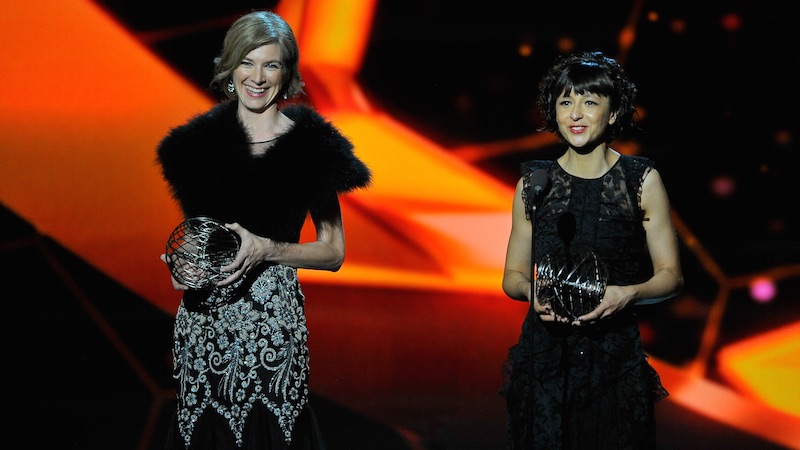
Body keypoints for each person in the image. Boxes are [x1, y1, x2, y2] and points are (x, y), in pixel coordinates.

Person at [155, 10, 371, 449]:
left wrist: (266, 249)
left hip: (270, 332)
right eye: (247, 62)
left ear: (286, 73)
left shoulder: (311, 147)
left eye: (270, 65)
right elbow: (197, 237)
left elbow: (333, 251)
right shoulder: (196, 146)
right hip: (204, 329)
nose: (257, 77)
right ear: (230, 69)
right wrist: (184, 265)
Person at [499, 50, 683, 449]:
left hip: (614, 362)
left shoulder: (641, 179)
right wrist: (532, 292)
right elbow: (512, 276)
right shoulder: (534, 183)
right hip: (545, 363)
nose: (576, 114)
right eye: (566, 102)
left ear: (613, 113)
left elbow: (671, 276)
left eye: (589, 102)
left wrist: (627, 294)